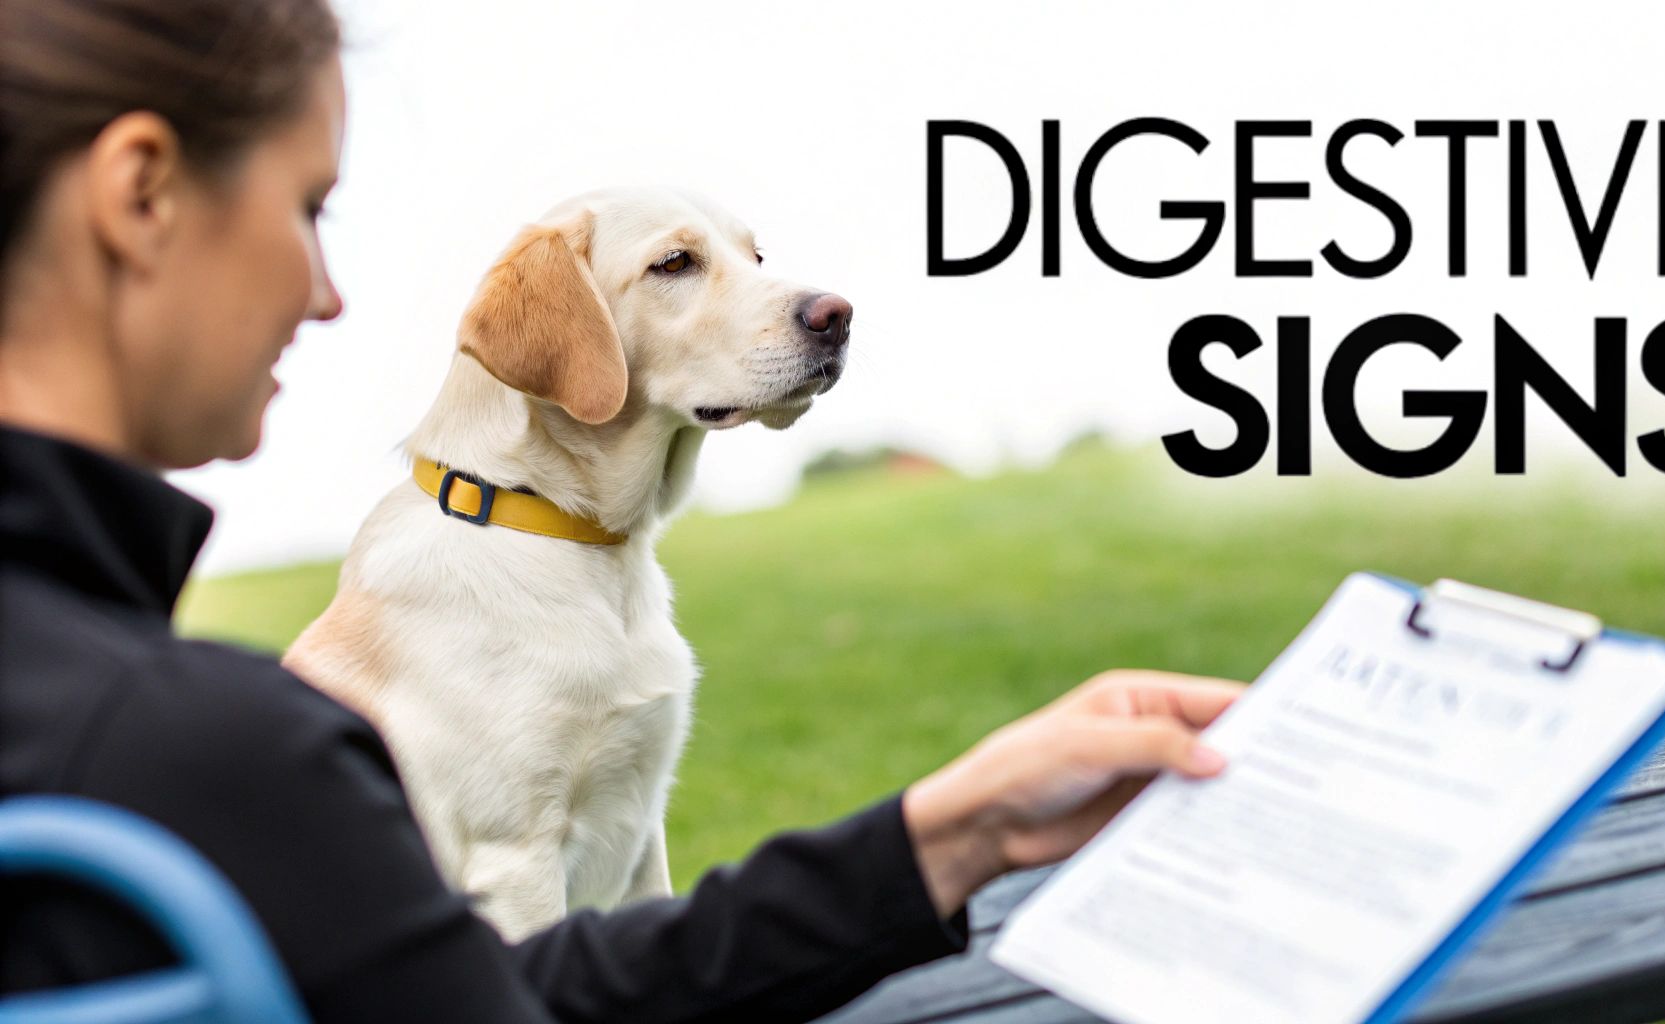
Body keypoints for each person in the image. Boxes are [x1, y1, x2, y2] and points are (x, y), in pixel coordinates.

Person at [0, 0, 1242, 1019]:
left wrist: (944, 834)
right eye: (306, 206)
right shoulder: (193, 744)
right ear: (141, 194)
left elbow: (527, 981)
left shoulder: (106, 701)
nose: (327, 295)